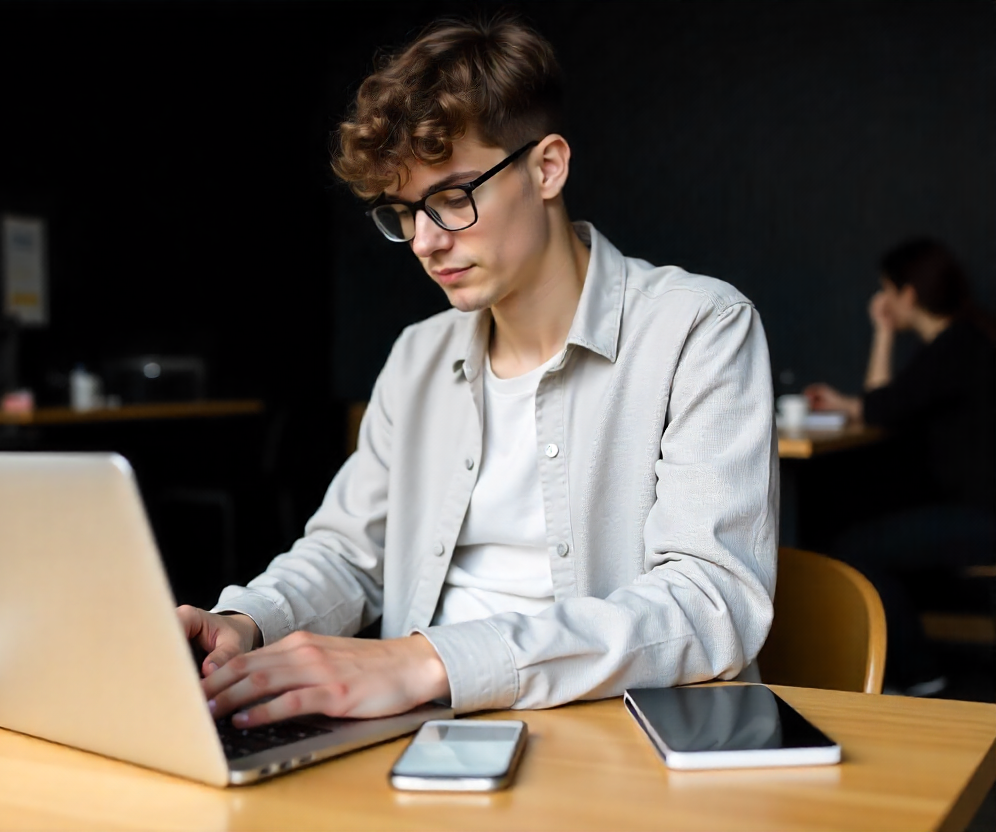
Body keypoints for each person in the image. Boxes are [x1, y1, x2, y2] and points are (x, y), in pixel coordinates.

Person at [176, 14, 779, 729]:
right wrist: (245, 621)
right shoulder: (417, 355)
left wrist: (427, 660)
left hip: (611, 733)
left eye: (454, 197)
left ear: (546, 167)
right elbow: (346, 554)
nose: (426, 242)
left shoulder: (700, 326)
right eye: (404, 211)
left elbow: (713, 600)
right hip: (418, 723)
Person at [804, 238, 996, 695]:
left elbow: (881, 407)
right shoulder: (963, 343)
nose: (882, 301)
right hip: (976, 510)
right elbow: (883, 404)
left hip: (982, 517)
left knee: (854, 549)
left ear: (908, 295)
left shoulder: (954, 346)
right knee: (859, 532)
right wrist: (852, 404)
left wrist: (882, 332)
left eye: (886, 290)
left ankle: (920, 674)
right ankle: (909, 670)